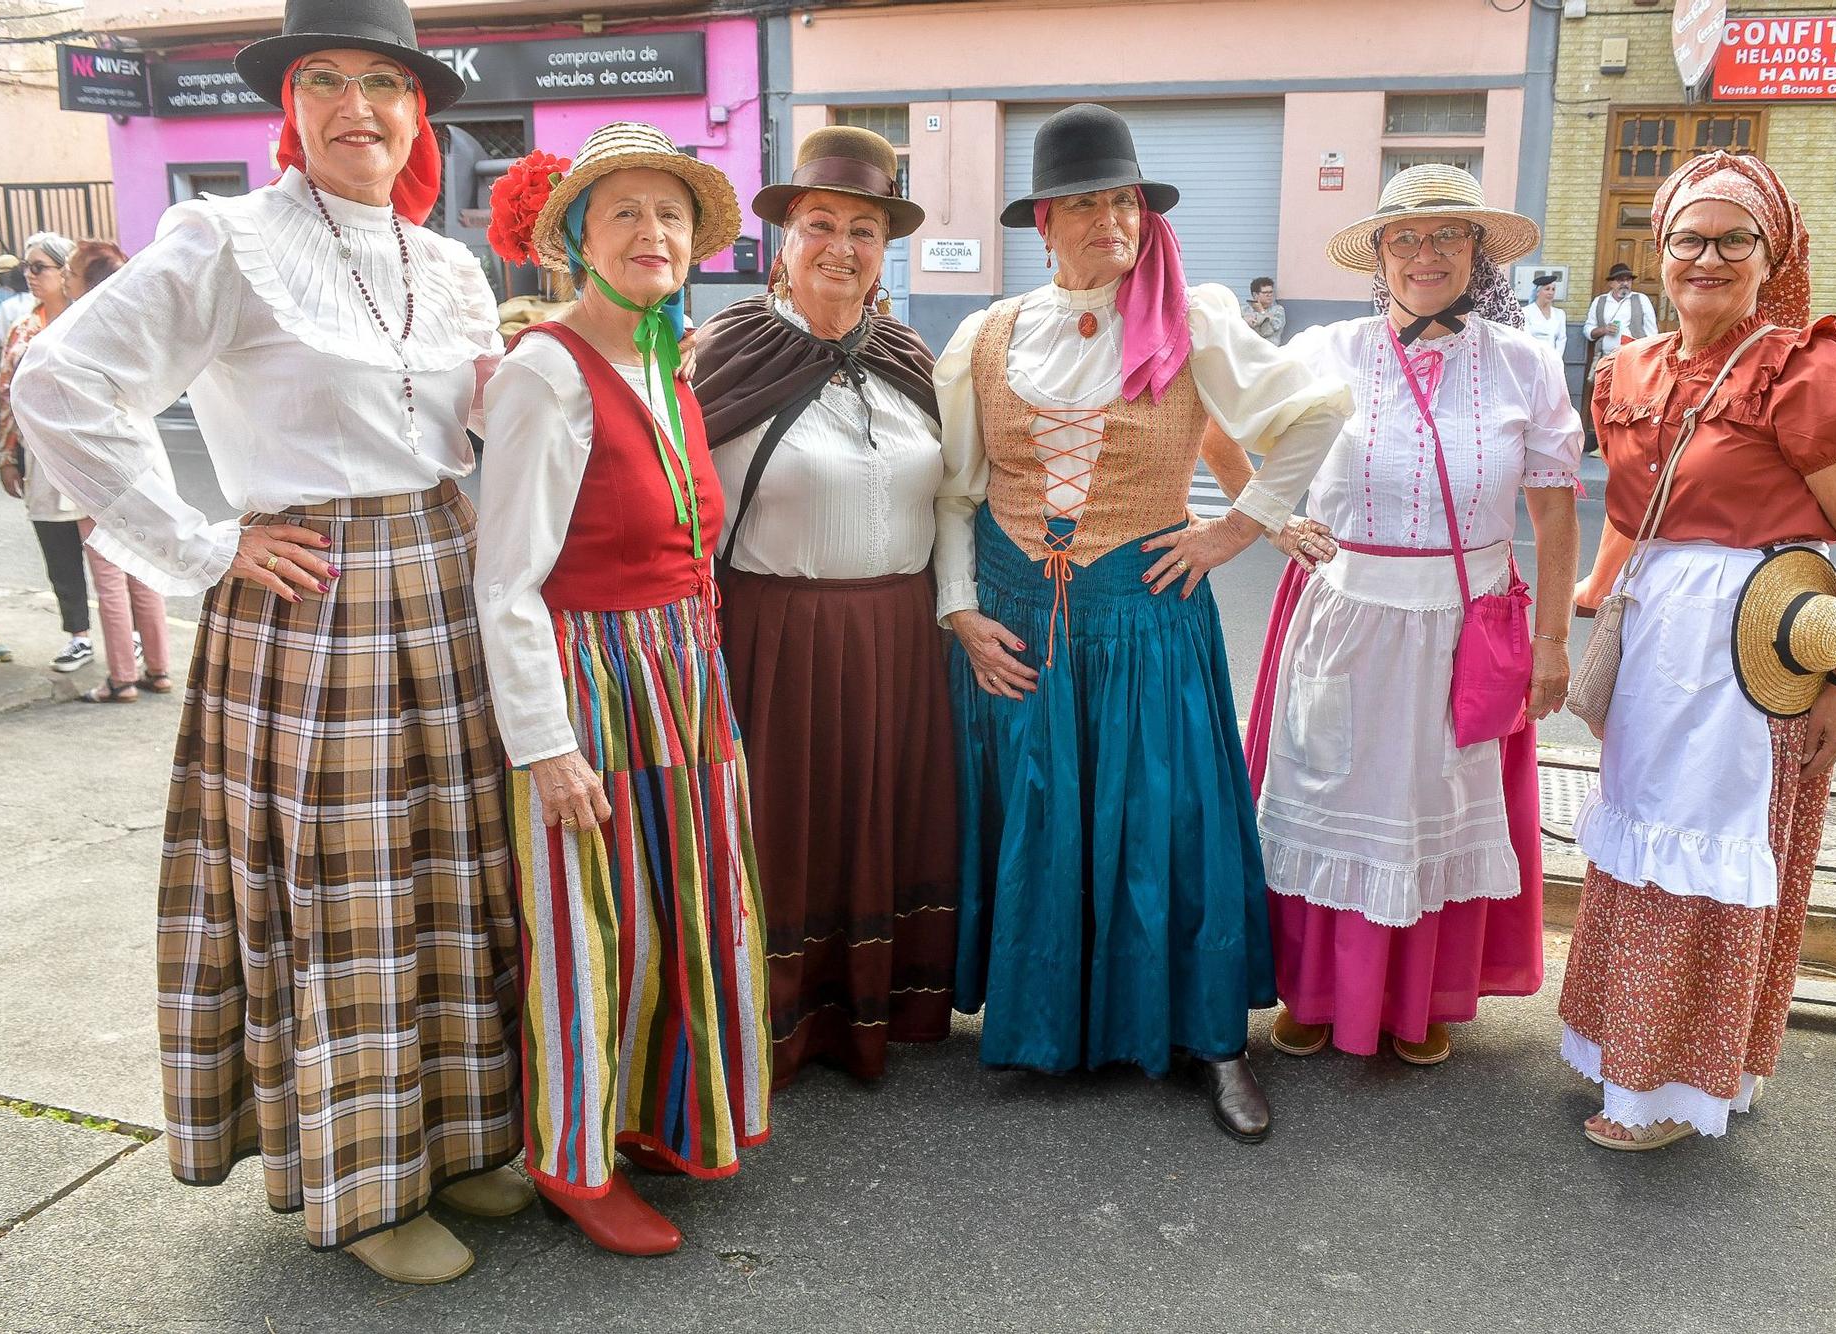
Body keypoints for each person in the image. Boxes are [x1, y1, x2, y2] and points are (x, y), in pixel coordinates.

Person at [11, 0, 531, 1282]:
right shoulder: (225, 239)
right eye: (326, 81)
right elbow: (59, 385)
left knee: (457, 872)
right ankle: (362, 1183)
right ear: (289, 108)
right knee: (344, 895)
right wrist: (202, 544)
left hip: (447, 579)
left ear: (418, 111)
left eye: (384, 84)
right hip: (316, 596)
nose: (359, 106)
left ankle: (460, 1134)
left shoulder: (449, 261)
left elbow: (478, 429)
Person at [933, 104, 1353, 1142]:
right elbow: (953, 492)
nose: (1105, 218)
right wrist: (958, 611)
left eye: (1119, 199)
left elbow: (1316, 409)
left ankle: (1212, 1039)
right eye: (1081, 202)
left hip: (1147, 614)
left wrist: (1236, 529)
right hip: (1018, 612)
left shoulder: (1189, 316)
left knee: (1168, 822)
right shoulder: (986, 335)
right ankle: (1052, 1025)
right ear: (1042, 222)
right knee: (1044, 818)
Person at [475, 122, 769, 1255]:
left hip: (680, 670)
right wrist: (546, 743)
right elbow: (506, 580)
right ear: (576, 242)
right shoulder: (548, 369)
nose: (654, 232)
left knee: (676, 905)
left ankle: (648, 1112)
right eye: (625, 214)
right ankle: (570, 1158)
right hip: (590, 675)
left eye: (672, 215)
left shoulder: (665, 357)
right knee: (587, 922)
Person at [1560, 151, 1836, 1149]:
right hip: (1658, 629)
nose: (1705, 257)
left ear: (1769, 254)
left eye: (1731, 239)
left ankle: (1668, 1085)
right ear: (1656, 253)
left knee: (1708, 844)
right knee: (1638, 830)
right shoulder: (1629, 367)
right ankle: (1617, 1045)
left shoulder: (1808, 364)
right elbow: (1633, 513)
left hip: (1752, 642)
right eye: (1686, 239)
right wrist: (1582, 597)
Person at [1245, 165, 1579, 1067]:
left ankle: (1416, 996)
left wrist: (1551, 641)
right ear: (1380, 256)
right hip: (1346, 613)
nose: (1425, 254)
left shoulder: (1526, 362)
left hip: (1463, 627)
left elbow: (1554, 509)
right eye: (1406, 238)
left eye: (1446, 236)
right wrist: (1276, 516)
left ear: (1476, 253)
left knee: (1436, 807)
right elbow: (1227, 419)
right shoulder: (1325, 352)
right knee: (1326, 795)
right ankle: (1316, 991)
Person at [691, 126, 956, 1090]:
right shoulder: (726, 352)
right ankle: (781, 1026)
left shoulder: (907, 353)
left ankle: (876, 1008)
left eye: (864, 230)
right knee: (787, 829)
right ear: (782, 240)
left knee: (880, 818)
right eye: (819, 224)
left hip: (899, 635)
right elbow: (680, 509)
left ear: (885, 251)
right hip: (781, 635)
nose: (841, 247)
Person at [49, 241, 175, 704]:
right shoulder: (133, 324)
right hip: (144, 462)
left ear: (89, 279)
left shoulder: (77, 330)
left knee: (109, 578)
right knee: (143, 572)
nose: (65, 275)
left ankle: (121, 677)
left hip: (101, 468)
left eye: (71, 269)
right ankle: (158, 668)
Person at [0, 231, 94, 672]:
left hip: (89, 454)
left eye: (40, 268)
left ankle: (128, 634)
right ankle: (78, 634)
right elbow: (7, 397)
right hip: (39, 457)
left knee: (112, 553)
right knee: (57, 550)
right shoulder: (23, 327)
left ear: (63, 271)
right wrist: (7, 457)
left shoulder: (90, 320)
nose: (30, 276)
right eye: (27, 269)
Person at [1583, 263, 1656, 369]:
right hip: (1606, 359)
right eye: (1620, 280)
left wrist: (1649, 357)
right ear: (1611, 283)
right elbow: (1588, 330)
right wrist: (1604, 330)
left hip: (1634, 359)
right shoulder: (1600, 301)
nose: (1625, 283)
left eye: (1628, 280)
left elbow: (1652, 332)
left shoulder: (1641, 299)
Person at [1522, 271, 1567, 358]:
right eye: (1547, 289)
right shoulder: (1526, 312)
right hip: (1533, 358)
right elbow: (1526, 338)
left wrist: (1556, 359)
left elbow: (1561, 339)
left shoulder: (1560, 314)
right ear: (1538, 292)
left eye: (1553, 289)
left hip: (1553, 360)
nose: (1551, 293)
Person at [1243, 275, 1286, 344]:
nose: (1269, 295)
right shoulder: (1245, 310)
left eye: (1271, 292)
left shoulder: (1278, 310)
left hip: (1270, 348)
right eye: (1265, 292)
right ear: (1255, 295)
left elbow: (1273, 328)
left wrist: (1261, 312)